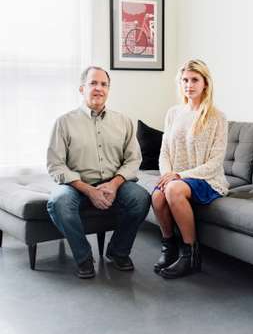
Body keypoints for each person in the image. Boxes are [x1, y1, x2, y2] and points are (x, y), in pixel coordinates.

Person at [47, 66, 150, 279]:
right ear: (82, 88)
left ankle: (118, 251)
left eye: (104, 84)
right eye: (93, 83)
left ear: (108, 90)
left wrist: (114, 184)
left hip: (115, 183)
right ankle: (84, 257)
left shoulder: (123, 122)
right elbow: (55, 165)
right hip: (76, 186)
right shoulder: (64, 122)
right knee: (59, 203)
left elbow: (133, 160)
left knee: (141, 198)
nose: (99, 88)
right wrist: (88, 190)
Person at [152, 59, 228, 279]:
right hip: (177, 178)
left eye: (195, 80)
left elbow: (215, 162)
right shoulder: (173, 113)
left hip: (207, 179)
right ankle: (169, 247)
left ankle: (191, 256)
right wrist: (167, 174)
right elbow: (164, 151)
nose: (189, 85)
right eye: (185, 80)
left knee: (173, 189)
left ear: (205, 83)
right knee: (157, 196)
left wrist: (178, 176)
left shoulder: (217, 117)